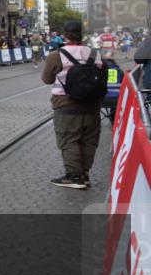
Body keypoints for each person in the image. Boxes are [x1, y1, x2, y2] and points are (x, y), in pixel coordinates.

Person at [41, 20, 104, 189]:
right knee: (89, 140)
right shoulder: (94, 53)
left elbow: (47, 79)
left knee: (69, 140)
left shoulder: (56, 55)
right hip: (92, 106)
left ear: (65, 35)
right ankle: (84, 174)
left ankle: (74, 176)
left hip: (66, 105)